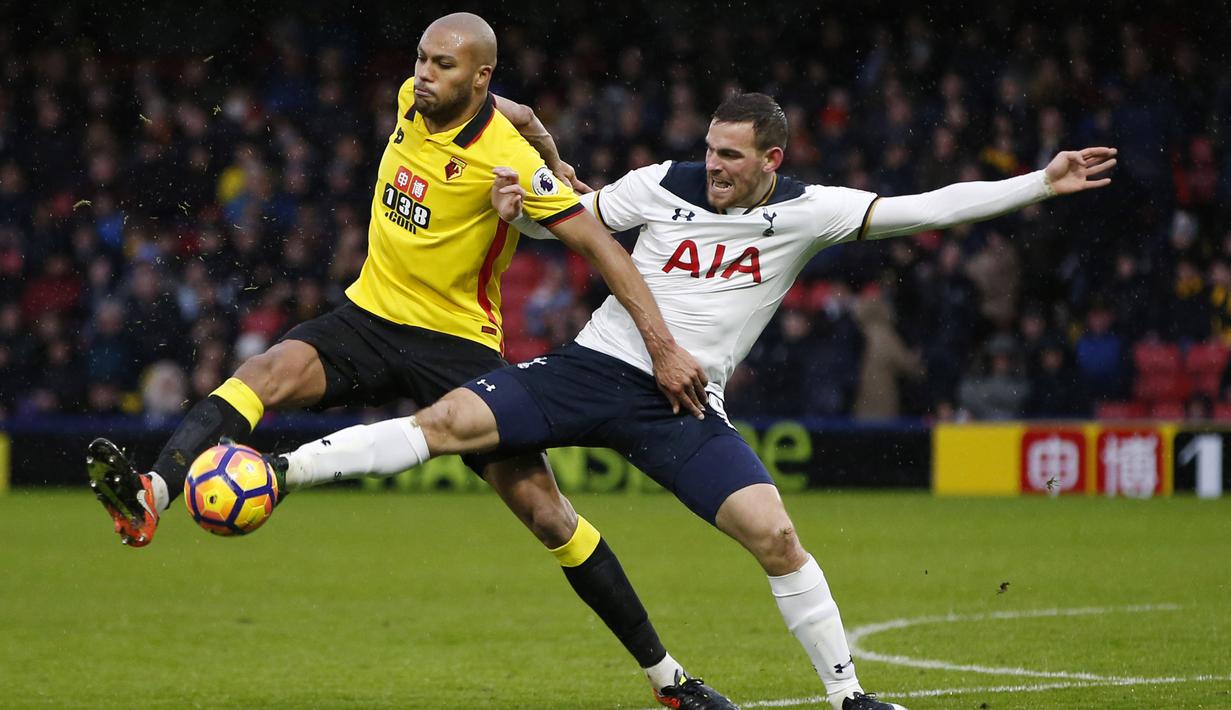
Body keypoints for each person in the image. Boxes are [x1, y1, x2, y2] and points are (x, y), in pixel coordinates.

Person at [275, 93, 1117, 710]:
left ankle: (849, 698)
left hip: (679, 402)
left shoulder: (809, 214)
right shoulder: (659, 184)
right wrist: (516, 212)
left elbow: (924, 210)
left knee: (774, 532)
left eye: (730, 156)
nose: (712, 166)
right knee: (447, 421)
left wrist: (1039, 182)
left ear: (771, 161)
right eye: (709, 150)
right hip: (593, 366)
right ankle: (278, 471)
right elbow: (566, 221)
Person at [86, 13, 734, 709]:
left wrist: (662, 347)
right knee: (262, 373)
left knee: (547, 515)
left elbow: (603, 249)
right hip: (367, 316)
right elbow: (515, 106)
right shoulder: (413, 98)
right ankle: (154, 493)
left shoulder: (504, 159)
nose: (424, 75)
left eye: (443, 66)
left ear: (479, 75)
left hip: (456, 347)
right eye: (421, 59)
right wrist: (545, 132)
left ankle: (668, 681)